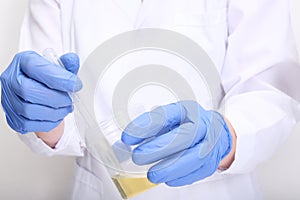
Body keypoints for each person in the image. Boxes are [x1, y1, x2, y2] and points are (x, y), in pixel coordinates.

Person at [1, 0, 300, 199]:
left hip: (214, 189)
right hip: (103, 187)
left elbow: (271, 89)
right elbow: (56, 110)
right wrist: (41, 114)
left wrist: (226, 137)